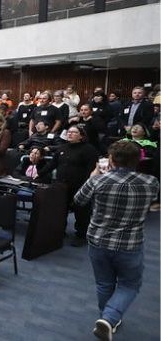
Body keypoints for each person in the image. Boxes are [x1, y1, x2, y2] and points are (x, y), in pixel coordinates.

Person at [74, 141, 159, 340]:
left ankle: (107, 318)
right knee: (129, 285)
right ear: (138, 160)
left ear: (111, 159)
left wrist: (92, 176)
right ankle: (110, 318)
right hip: (130, 243)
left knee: (104, 284)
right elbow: (153, 201)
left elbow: (78, 200)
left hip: (98, 240)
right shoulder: (151, 182)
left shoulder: (98, 181)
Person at [50, 125, 99, 247]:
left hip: (80, 186)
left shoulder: (89, 149)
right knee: (61, 209)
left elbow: (91, 169)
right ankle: (61, 231)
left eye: (74, 132)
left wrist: (87, 185)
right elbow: (52, 164)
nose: (70, 134)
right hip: (62, 185)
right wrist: (39, 174)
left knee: (81, 211)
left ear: (81, 135)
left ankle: (81, 235)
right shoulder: (62, 147)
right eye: (69, 132)